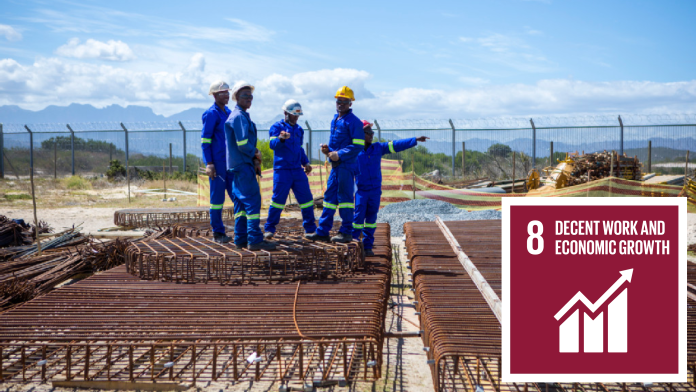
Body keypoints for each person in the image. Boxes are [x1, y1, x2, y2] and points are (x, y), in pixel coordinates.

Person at [353, 121, 429, 256]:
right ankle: (354, 245)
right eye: (368, 132)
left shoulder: (378, 148)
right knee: (358, 218)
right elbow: (338, 155)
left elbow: (395, 145)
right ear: (360, 133)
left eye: (372, 132)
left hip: (375, 191)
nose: (371, 135)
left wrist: (414, 140)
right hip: (361, 191)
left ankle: (368, 246)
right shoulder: (353, 150)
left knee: (371, 220)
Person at [307, 86, 364, 243]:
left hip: (346, 167)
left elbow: (358, 145)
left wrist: (339, 154)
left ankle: (346, 232)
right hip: (336, 167)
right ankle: (323, 231)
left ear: (350, 103)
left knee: (345, 200)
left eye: (345, 101)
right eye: (339, 101)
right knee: (329, 199)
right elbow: (337, 144)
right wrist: (328, 151)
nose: (341, 104)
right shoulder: (335, 119)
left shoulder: (354, 122)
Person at [225, 81, 276, 251]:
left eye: (250, 96)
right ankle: (254, 239)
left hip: (238, 166)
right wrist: (255, 152)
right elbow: (242, 143)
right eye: (245, 95)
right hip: (243, 166)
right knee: (253, 202)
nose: (249, 98)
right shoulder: (239, 116)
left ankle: (240, 238)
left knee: (240, 204)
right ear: (237, 97)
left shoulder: (240, 115)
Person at [263, 100, 316, 239]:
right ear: (286, 113)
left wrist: (306, 162)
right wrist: (281, 138)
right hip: (282, 171)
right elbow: (272, 145)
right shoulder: (276, 127)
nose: (296, 118)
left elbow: (299, 149)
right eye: (293, 115)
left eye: (298, 115)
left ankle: (310, 229)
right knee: (278, 201)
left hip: (297, 170)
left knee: (307, 200)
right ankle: (269, 229)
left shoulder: (299, 130)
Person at [201, 80, 243, 244]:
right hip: (217, 164)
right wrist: (209, 163)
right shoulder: (211, 113)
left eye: (227, 92)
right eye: (223, 92)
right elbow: (205, 141)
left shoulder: (228, 112)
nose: (226, 95)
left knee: (237, 196)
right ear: (215, 95)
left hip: (230, 163)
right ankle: (218, 233)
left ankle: (242, 229)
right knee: (217, 200)